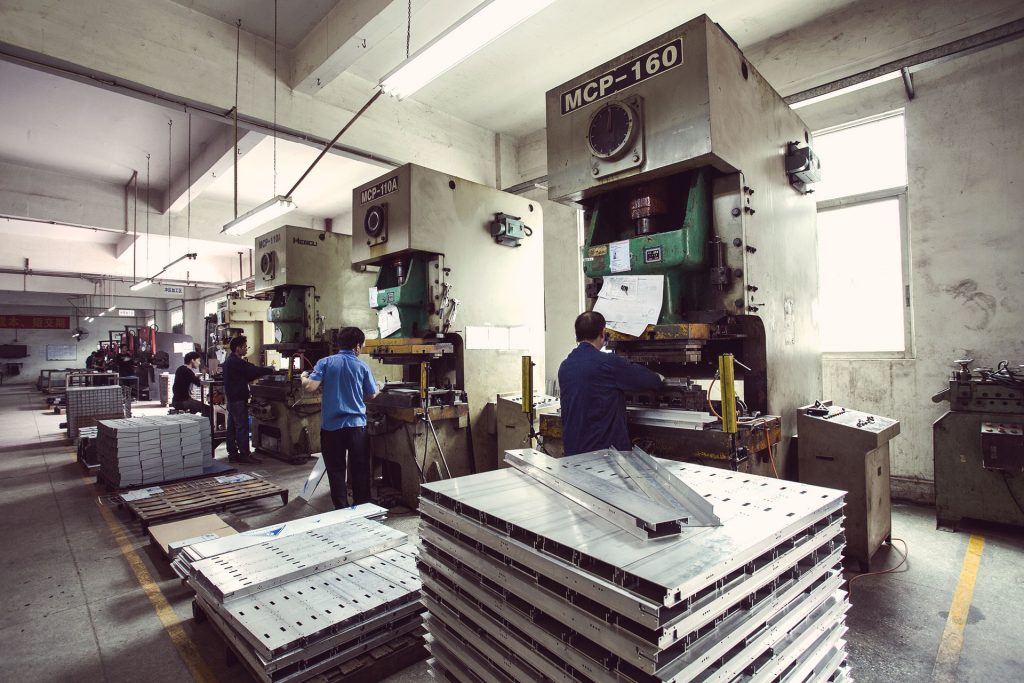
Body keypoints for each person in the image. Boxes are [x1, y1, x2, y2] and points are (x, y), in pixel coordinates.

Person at [557, 311, 663, 455]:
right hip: (604, 456)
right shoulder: (608, 363)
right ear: (602, 333)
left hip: (573, 453)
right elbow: (650, 381)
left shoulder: (565, 366)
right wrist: (659, 377)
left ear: (577, 335)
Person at [301, 327, 379, 509]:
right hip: (357, 427)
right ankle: (361, 506)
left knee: (336, 471)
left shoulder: (325, 363)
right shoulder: (362, 366)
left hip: (332, 428)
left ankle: (341, 508)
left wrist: (303, 378)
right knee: (360, 469)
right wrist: (379, 387)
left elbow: (310, 387)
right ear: (357, 346)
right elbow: (372, 394)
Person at [222, 336, 275, 464]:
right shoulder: (236, 362)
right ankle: (245, 455)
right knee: (242, 427)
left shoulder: (229, 361)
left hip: (232, 400)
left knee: (232, 428)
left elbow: (246, 373)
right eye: (245, 347)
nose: (246, 349)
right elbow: (252, 370)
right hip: (238, 399)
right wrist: (270, 370)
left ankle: (232, 454)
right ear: (238, 348)